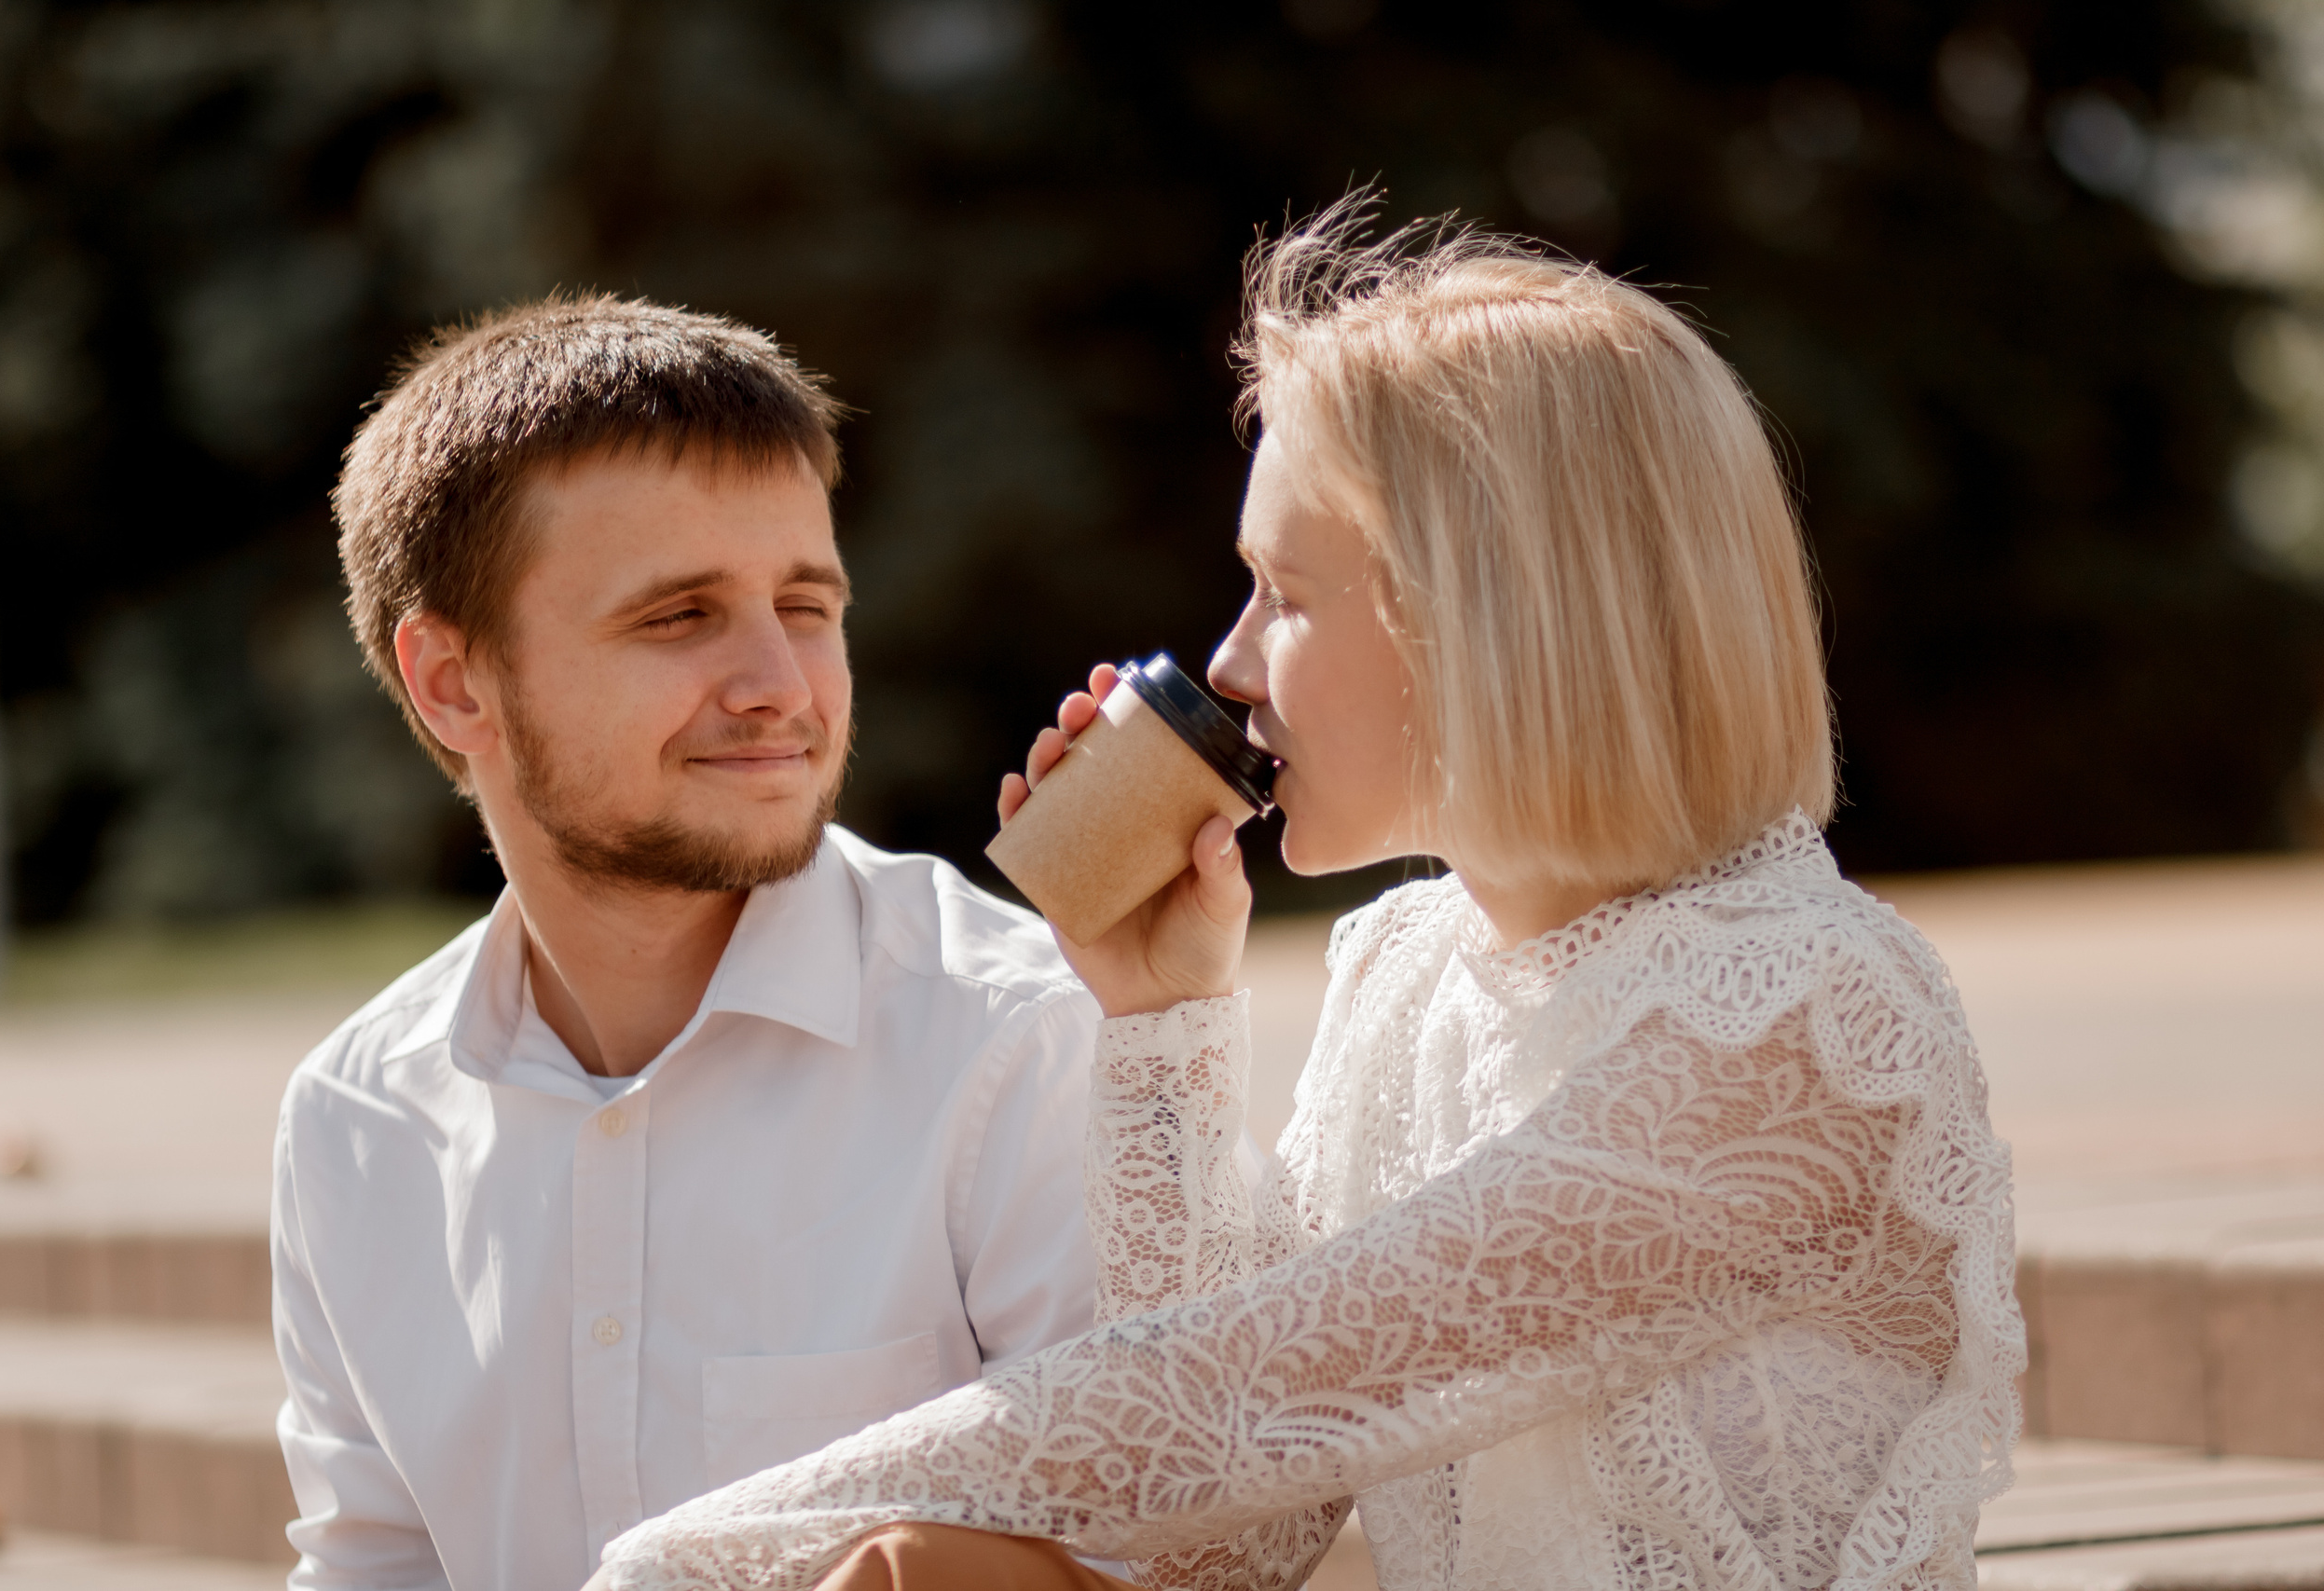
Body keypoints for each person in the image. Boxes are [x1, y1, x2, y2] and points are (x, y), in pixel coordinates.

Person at [589, 213, 2028, 1591]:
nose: (1229, 663)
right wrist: (1162, 1016)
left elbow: (1224, 1404)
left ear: (1487, 613)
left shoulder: (1788, 1020)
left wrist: (664, 1568)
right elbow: (1227, 1544)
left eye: (1284, 591)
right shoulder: (1415, 970)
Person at [272, 295, 1104, 1591]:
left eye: (806, 604)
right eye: (680, 617)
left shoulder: (1023, 1043)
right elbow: (373, 1569)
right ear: (452, 683)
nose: (781, 683)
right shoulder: (353, 1122)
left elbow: (1159, 1547)